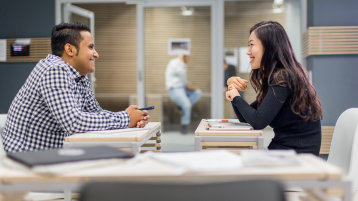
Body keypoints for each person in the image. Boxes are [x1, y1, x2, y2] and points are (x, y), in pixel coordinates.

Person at [2, 23, 149, 153]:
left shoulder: (78, 75)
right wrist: (125, 118)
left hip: (52, 154)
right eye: (91, 47)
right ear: (70, 49)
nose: (96, 54)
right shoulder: (54, 70)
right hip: (27, 157)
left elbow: (95, 113)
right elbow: (74, 122)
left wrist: (131, 118)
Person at [225, 21, 323, 156]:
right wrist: (234, 93)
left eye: (252, 45)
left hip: (297, 157)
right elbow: (247, 118)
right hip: (286, 152)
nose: (248, 52)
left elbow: (258, 121)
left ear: (269, 47)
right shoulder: (280, 75)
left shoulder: (283, 77)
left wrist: (236, 97)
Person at [165, 55, 202, 134]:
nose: (189, 58)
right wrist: (182, 62)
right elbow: (180, 73)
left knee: (198, 92)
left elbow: (182, 80)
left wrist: (189, 84)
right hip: (174, 89)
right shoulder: (174, 63)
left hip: (182, 88)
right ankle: (184, 126)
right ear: (183, 56)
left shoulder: (183, 64)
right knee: (187, 105)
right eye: (188, 57)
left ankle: (181, 107)